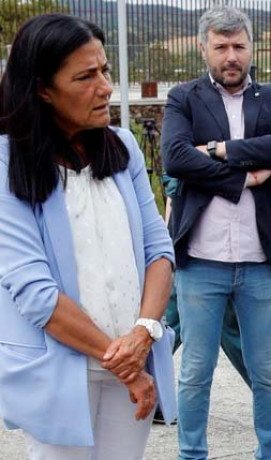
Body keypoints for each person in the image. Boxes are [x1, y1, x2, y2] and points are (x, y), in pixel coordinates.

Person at [0, 14, 175, 458]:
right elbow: (35, 292)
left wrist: (143, 334)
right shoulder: (7, 162)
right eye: (85, 76)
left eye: (105, 70)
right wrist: (126, 365)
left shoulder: (122, 146)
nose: (105, 87)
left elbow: (159, 251)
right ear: (42, 88)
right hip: (61, 372)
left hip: (133, 359)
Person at [160, 5, 271, 459]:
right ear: (204, 48)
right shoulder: (183, 98)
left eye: (238, 46)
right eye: (221, 46)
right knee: (194, 373)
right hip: (200, 264)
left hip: (261, 264)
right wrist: (243, 176)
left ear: (251, 48)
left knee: (267, 373)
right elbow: (176, 157)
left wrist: (222, 150)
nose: (230, 56)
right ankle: (192, 455)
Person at [154, 174, 271, 434]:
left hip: (212, 257)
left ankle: (148, 396)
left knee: (175, 326)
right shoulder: (194, 142)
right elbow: (176, 192)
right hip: (197, 256)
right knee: (193, 329)